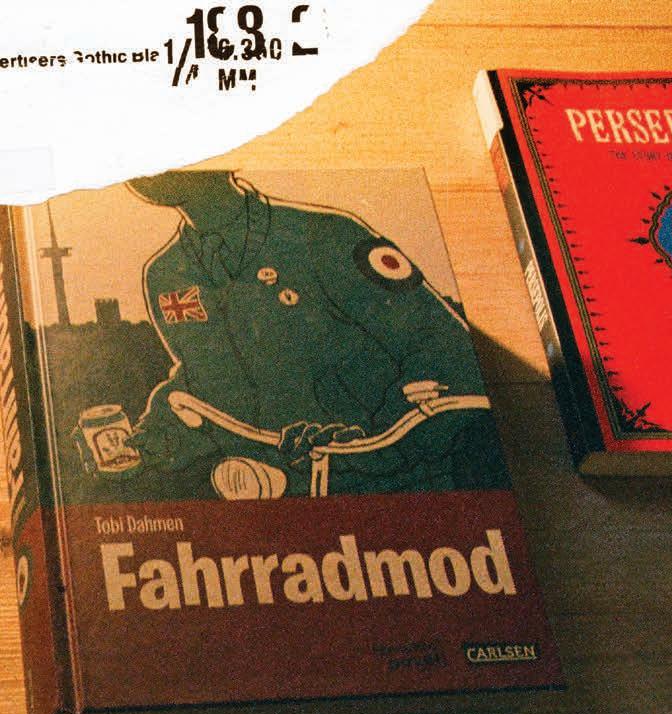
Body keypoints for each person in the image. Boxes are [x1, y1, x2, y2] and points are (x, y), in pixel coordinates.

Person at [100, 170, 506, 498]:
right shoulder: (167, 274)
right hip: (286, 499)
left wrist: (369, 440)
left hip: (405, 487)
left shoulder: (324, 234)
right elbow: (206, 380)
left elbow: (444, 346)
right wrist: (154, 436)